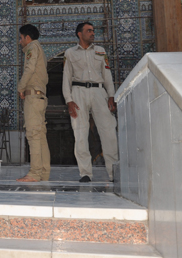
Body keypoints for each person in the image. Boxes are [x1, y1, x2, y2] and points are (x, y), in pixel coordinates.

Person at [62, 22, 118, 183]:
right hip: (78, 92)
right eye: (88, 31)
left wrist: (111, 95)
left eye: (93, 31)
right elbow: (66, 78)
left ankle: (113, 173)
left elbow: (107, 75)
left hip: (99, 92)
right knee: (80, 132)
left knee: (108, 131)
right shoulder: (70, 53)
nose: (92, 33)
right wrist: (69, 100)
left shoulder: (100, 51)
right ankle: (85, 173)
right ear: (79, 34)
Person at [16, 24, 50, 182]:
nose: (20, 41)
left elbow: (29, 69)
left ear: (27, 38)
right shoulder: (39, 48)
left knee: (33, 135)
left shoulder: (32, 48)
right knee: (40, 135)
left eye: (21, 38)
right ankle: (43, 172)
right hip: (40, 97)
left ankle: (35, 173)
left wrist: (20, 87)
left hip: (33, 97)